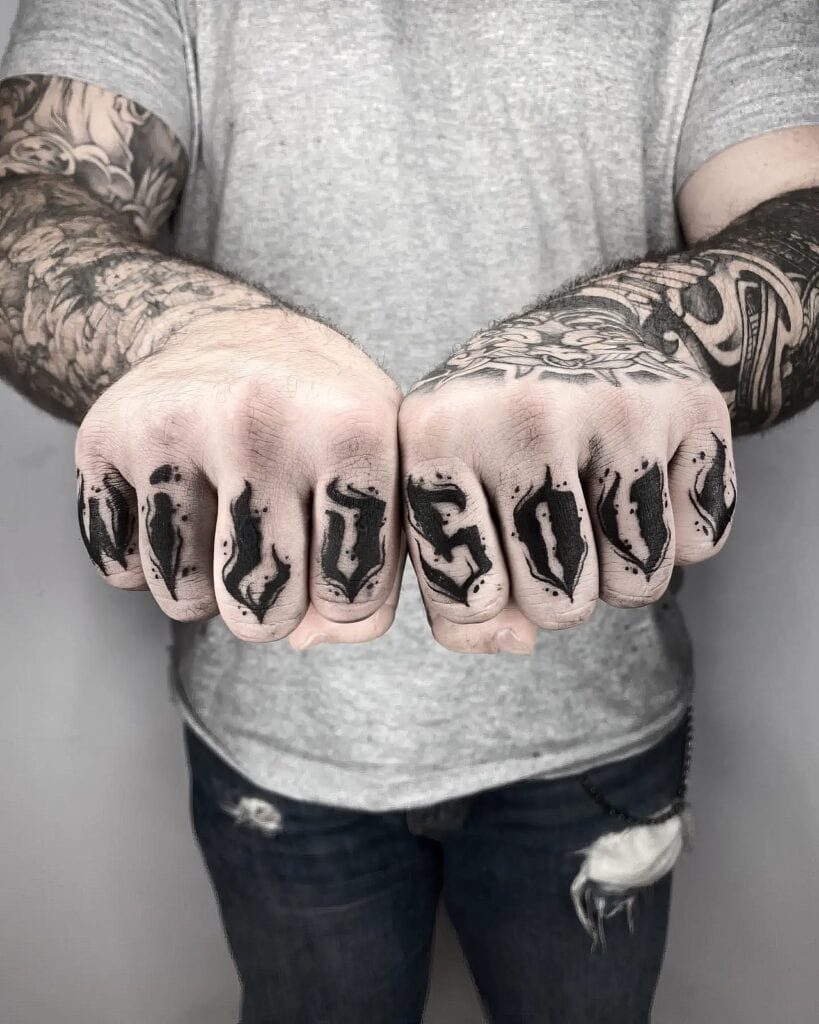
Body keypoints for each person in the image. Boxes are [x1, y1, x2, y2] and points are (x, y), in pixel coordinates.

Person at [0, 0, 816, 1020]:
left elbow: (799, 212)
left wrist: (628, 335)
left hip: (593, 728)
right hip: (278, 731)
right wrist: (193, 335)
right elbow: (34, 192)